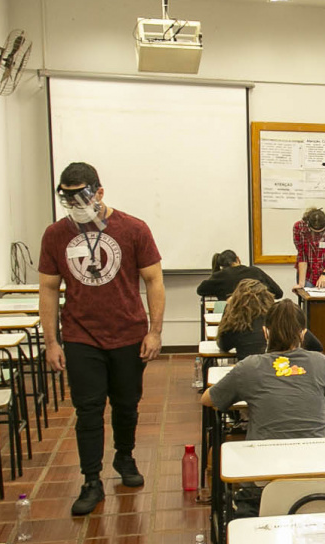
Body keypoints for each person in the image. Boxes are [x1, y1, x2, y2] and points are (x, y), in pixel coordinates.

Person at [38, 162, 166, 516]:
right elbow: (48, 289)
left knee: (126, 404)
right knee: (88, 409)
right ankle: (91, 479)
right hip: (81, 335)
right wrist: (51, 341)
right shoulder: (55, 235)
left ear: (99, 192)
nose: (76, 205)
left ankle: (124, 456)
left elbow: (154, 280)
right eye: (67, 198)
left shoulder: (133, 229)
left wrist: (154, 331)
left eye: (81, 196)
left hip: (127, 333)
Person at [201, 299, 325, 517]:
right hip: (315, 475)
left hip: (263, 479)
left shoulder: (250, 367)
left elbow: (208, 399)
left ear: (265, 332)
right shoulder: (321, 362)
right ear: (303, 334)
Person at [217, 279, 322, 360]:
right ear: (267, 297)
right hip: (280, 371)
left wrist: (228, 309)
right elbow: (317, 346)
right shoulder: (280, 319)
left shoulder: (237, 324)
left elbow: (223, 345)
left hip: (249, 374)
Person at [196, 249, 282, 301]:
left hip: (232, 320)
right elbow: (278, 293)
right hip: (259, 319)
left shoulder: (219, 276)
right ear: (237, 258)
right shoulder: (255, 271)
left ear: (221, 265)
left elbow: (200, 290)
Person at [292, 207, 325, 290]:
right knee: (307, 298)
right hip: (307, 273)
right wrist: (301, 283)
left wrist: (324, 274)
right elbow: (302, 255)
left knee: (322, 301)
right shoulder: (299, 227)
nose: (318, 235)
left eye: (321, 232)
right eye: (315, 232)